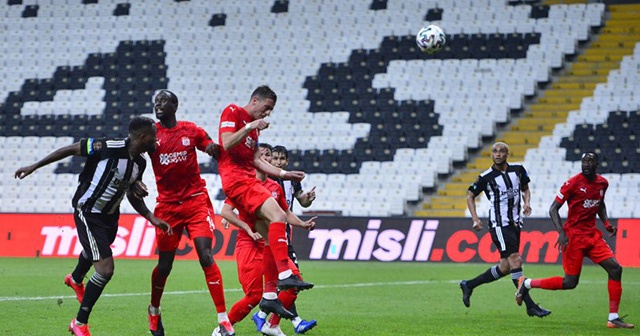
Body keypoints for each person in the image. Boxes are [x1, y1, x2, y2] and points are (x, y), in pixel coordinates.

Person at [14, 116, 171, 336]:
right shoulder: (108, 147)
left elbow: (131, 193)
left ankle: (75, 278)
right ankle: (79, 324)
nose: (157, 140)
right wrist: (34, 166)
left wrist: (150, 216)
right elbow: (70, 149)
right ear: (143, 137)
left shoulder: (140, 163)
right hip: (88, 211)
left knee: (96, 250)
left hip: (111, 215)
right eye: (154, 136)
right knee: (105, 269)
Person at [216, 85, 314, 319]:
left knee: (272, 233)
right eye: (266, 108)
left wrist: (284, 175)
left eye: (270, 110)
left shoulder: (255, 133)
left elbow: (257, 162)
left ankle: (270, 297)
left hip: (248, 179)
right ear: (255, 100)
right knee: (278, 216)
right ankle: (283, 275)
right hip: (237, 181)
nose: (267, 113)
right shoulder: (232, 112)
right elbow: (226, 143)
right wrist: (250, 126)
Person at [144, 90, 234, 336]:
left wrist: (217, 148)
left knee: (206, 255)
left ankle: (224, 319)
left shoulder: (190, 130)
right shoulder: (151, 135)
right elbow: (134, 157)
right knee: (164, 266)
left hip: (195, 202)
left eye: (163, 101)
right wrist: (134, 182)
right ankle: (154, 310)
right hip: (168, 207)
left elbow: (210, 147)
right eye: (156, 102)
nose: (158, 105)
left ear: (175, 105)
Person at [516, 152, 634, 329]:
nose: (586, 164)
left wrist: (607, 223)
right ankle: (527, 283)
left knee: (616, 269)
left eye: (590, 161)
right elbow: (553, 209)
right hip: (574, 238)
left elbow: (600, 203)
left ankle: (613, 317)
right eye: (584, 161)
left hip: (593, 236)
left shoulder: (603, 183)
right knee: (570, 283)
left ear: (597, 164)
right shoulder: (572, 183)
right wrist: (561, 232)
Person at [221, 143, 316, 336]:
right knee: (254, 296)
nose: (266, 158)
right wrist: (247, 227)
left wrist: (302, 224)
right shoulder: (244, 183)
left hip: (272, 244)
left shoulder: (274, 186)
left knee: (294, 283)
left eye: (268, 155)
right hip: (249, 243)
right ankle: (223, 327)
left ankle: (272, 325)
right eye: (262, 155)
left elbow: (285, 212)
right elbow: (226, 211)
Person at [460, 142, 551, 318]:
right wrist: (475, 219)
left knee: (505, 267)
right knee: (516, 260)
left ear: (508, 154)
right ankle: (530, 306)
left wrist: (526, 203)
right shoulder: (486, 177)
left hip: (516, 223)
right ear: (491, 155)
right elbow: (470, 195)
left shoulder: (518, 170)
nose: (498, 154)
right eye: (495, 151)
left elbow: (525, 188)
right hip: (499, 224)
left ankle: (469, 285)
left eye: (502, 151)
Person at [257, 145, 317, 334]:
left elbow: (300, 202)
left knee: (291, 282)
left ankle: (266, 319)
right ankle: (289, 321)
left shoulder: (290, 181)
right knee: (293, 281)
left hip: (285, 236)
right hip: (271, 236)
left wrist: (308, 198)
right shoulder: (268, 179)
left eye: (282, 159)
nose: (278, 162)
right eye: (275, 158)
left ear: (287, 161)